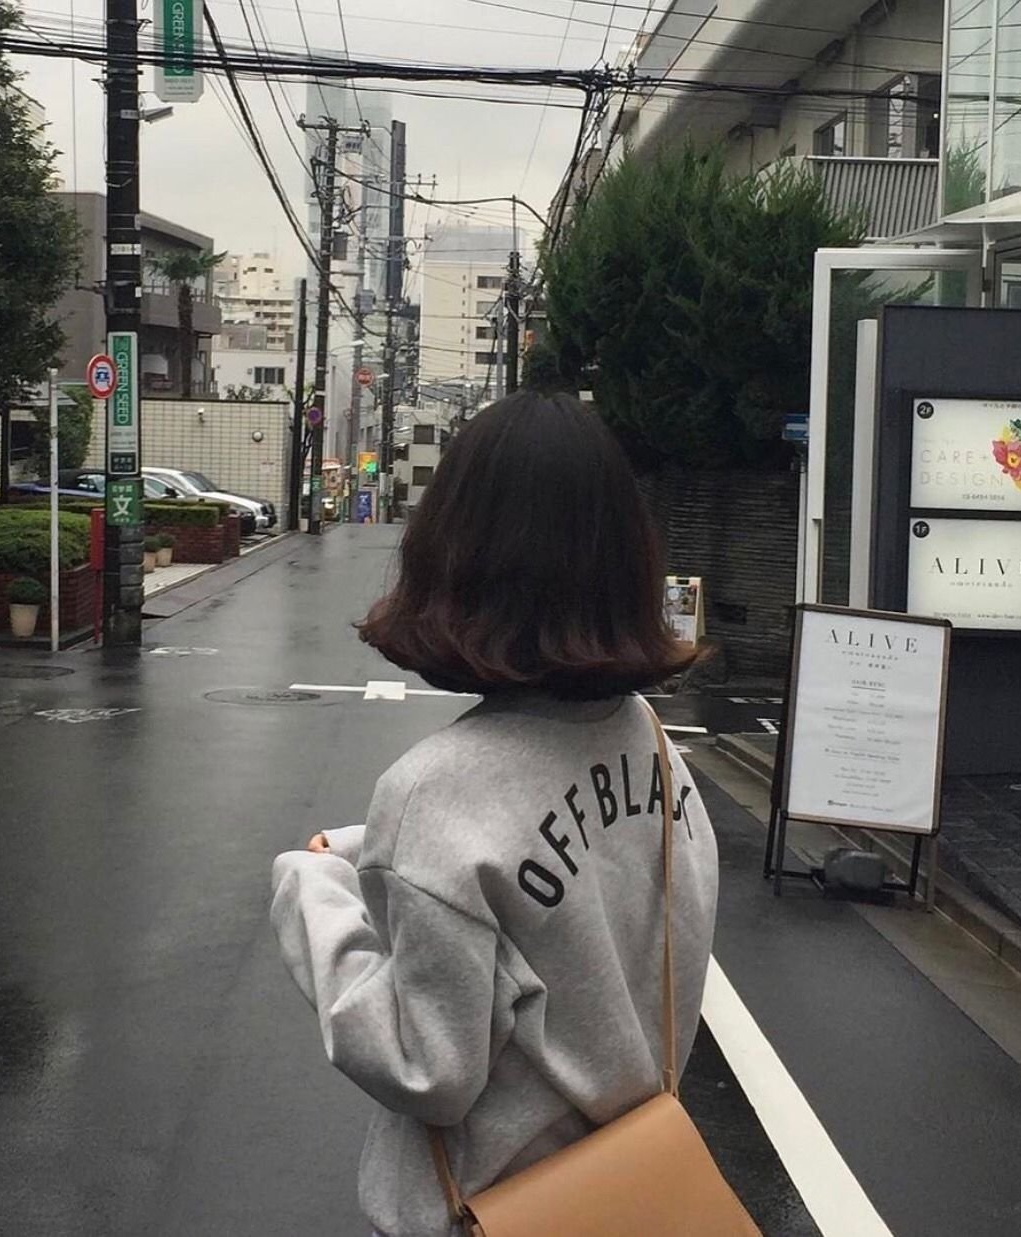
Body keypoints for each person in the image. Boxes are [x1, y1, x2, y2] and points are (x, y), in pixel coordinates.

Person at [270, 390, 720, 1237]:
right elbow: (552, 869)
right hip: (627, 1200)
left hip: (490, 1213)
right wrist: (371, 849)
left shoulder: (435, 792)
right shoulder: (651, 746)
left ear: (454, 559)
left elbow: (426, 1068)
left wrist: (311, 894)